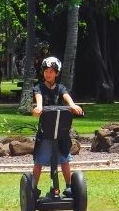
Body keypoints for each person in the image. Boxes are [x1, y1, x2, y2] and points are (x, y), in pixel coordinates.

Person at [31, 56, 84, 197]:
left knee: (65, 160)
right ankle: (33, 189)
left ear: (57, 73)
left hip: (60, 131)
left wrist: (72, 105)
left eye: (51, 71)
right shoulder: (39, 88)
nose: (48, 74)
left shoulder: (61, 88)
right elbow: (39, 98)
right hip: (46, 131)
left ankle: (69, 187)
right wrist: (39, 107)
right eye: (46, 71)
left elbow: (66, 96)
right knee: (39, 161)